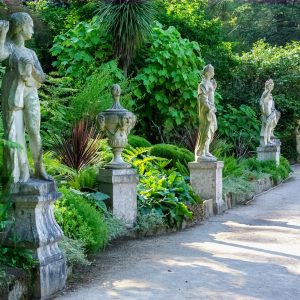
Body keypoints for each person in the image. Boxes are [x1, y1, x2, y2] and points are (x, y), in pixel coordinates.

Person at [0, 12, 50, 183]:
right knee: (16, 130)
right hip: (13, 91)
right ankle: (20, 171)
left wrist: (30, 69)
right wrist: (2, 34)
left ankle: (39, 167)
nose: (33, 31)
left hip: (30, 91)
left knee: (35, 130)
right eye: (30, 26)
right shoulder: (10, 47)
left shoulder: (31, 52)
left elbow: (42, 78)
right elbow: (0, 55)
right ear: (21, 28)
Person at [195, 64, 218, 161]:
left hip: (211, 110)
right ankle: (202, 153)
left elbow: (211, 96)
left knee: (212, 129)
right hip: (206, 111)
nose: (213, 72)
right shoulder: (202, 84)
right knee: (205, 130)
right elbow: (203, 99)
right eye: (212, 70)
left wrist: (212, 107)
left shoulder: (211, 83)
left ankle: (207, 150)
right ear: (207, 72)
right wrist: (209, 108)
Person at [259, 79, 280, 146]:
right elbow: (263, 102)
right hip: (267, 113)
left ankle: (269, 139)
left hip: (271, 112)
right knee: (267, 127)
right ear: (267, 85)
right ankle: (265, 142)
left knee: (270, 127)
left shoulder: (269, 93)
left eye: (272, 84)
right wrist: (269, 90)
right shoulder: (266, 92)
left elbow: (271, 103)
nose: (271, 85)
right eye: (270, 84)